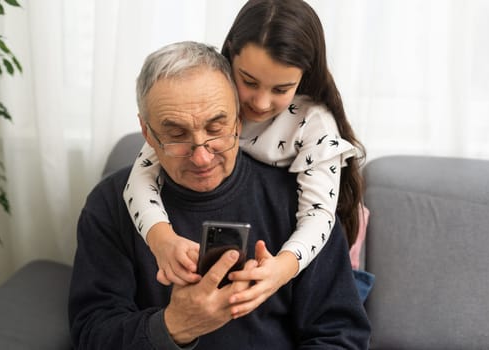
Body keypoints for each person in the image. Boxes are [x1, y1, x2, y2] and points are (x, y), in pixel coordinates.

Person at [68, 41, 370, 349]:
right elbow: (92, 334)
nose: (201, 158)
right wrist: (174, 326)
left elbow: (341, 335)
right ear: (147, 133)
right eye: (176, 135)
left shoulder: (296, 200)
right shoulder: (110, 204)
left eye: (216, 129)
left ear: (240, 120)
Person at [123, 0, 374, 309]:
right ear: (230, 56)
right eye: (249, 82)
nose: (261, 103)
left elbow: (318, 214)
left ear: (304, 78)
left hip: (310, 245)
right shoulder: (205, 101)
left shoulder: (312, 123)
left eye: (281, 89)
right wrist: (160, 238)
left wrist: (282, 268)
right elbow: (141, 175)